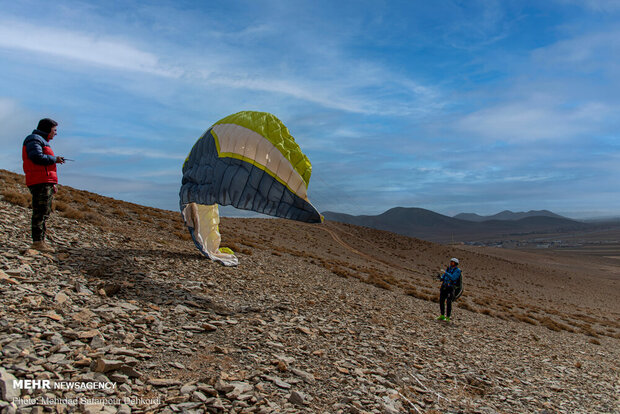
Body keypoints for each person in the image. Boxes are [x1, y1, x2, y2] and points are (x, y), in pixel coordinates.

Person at [22, 118, 65, 252]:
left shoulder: (40, 141)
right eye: (54, 130)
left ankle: (41, 241)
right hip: (39, 180)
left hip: (44, 181)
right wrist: (54, 159)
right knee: (40, 212)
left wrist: (52, 184)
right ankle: (38, 242)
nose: (55, 133)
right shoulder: (34, 139)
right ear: (47, 129)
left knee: (44, 211)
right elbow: (36, 157)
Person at [437, 257, 461, 322]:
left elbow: (453, 278)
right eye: (450, 261)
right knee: (441, 300)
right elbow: (444, 276)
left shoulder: (458, 271)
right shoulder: (448, 269)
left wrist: (445, 273)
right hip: (444, 286)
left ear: (455, 263)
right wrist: (441, 278)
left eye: (452, 262)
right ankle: (442, 315)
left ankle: (447, 317)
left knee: (448, 302)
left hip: (450, 288)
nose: (451, 263)